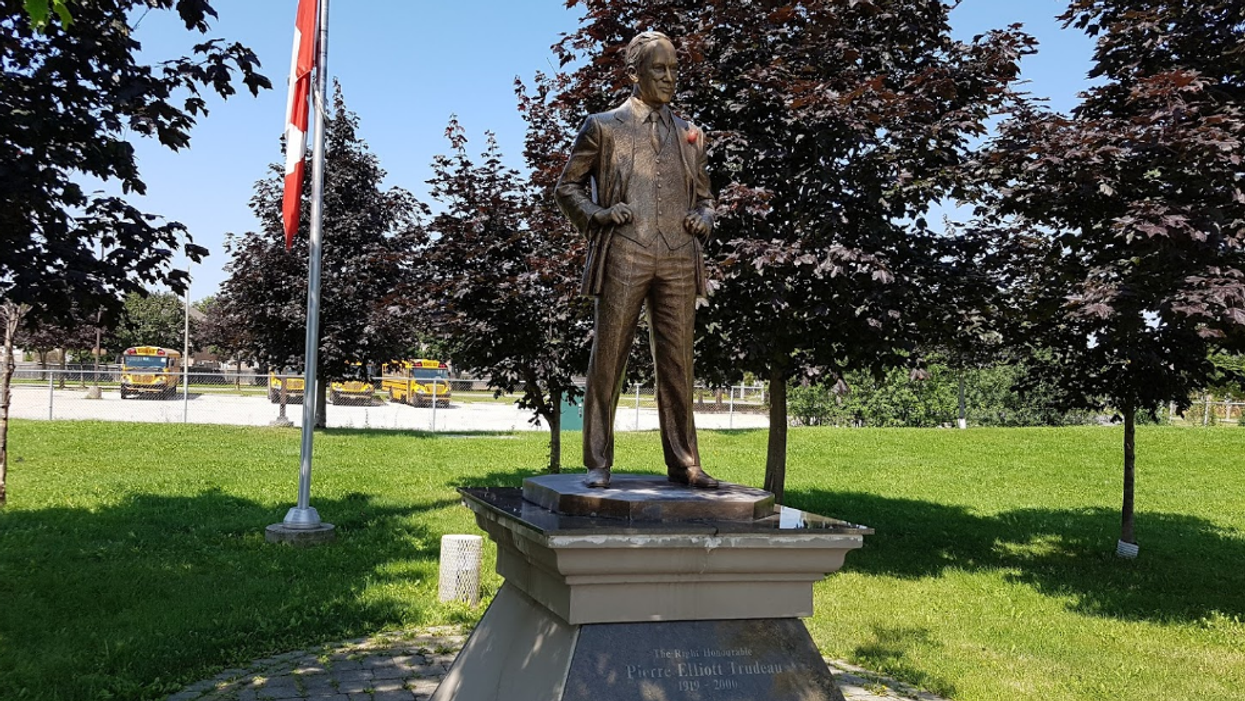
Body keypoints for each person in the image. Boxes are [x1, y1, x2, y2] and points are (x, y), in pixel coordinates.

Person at [555, 31, 719, 489]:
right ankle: (598, 461)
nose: (669, 78)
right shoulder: (603, 126)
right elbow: (567, 187)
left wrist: (705, 217)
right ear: (634, 73)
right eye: (658, 69)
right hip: (625, 251)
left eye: (674, 70)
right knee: (609, 358)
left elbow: (706, 197)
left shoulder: (690, 134)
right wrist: (597, 214)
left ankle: (685, 462)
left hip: (679, 256)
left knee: (678, 363)